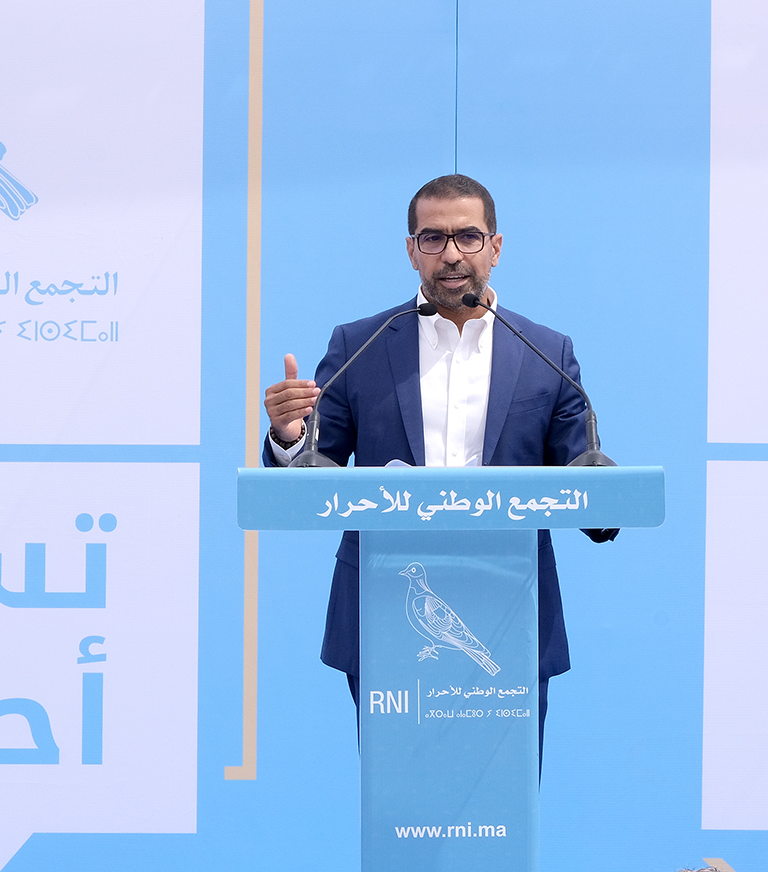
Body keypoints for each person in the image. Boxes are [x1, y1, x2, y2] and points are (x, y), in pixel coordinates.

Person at [261, 173, 616, 757]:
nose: (451, 255)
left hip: (511, 613)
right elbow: (313, 475)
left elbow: (583, 475)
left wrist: (603, 489)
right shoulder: (360, 345)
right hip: (385, 611)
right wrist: (289, 436)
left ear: (495, 248)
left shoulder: (546, 353)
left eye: (468, 237)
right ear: (411, 250)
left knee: (503, 801)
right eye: (433, 238)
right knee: (397, 794)